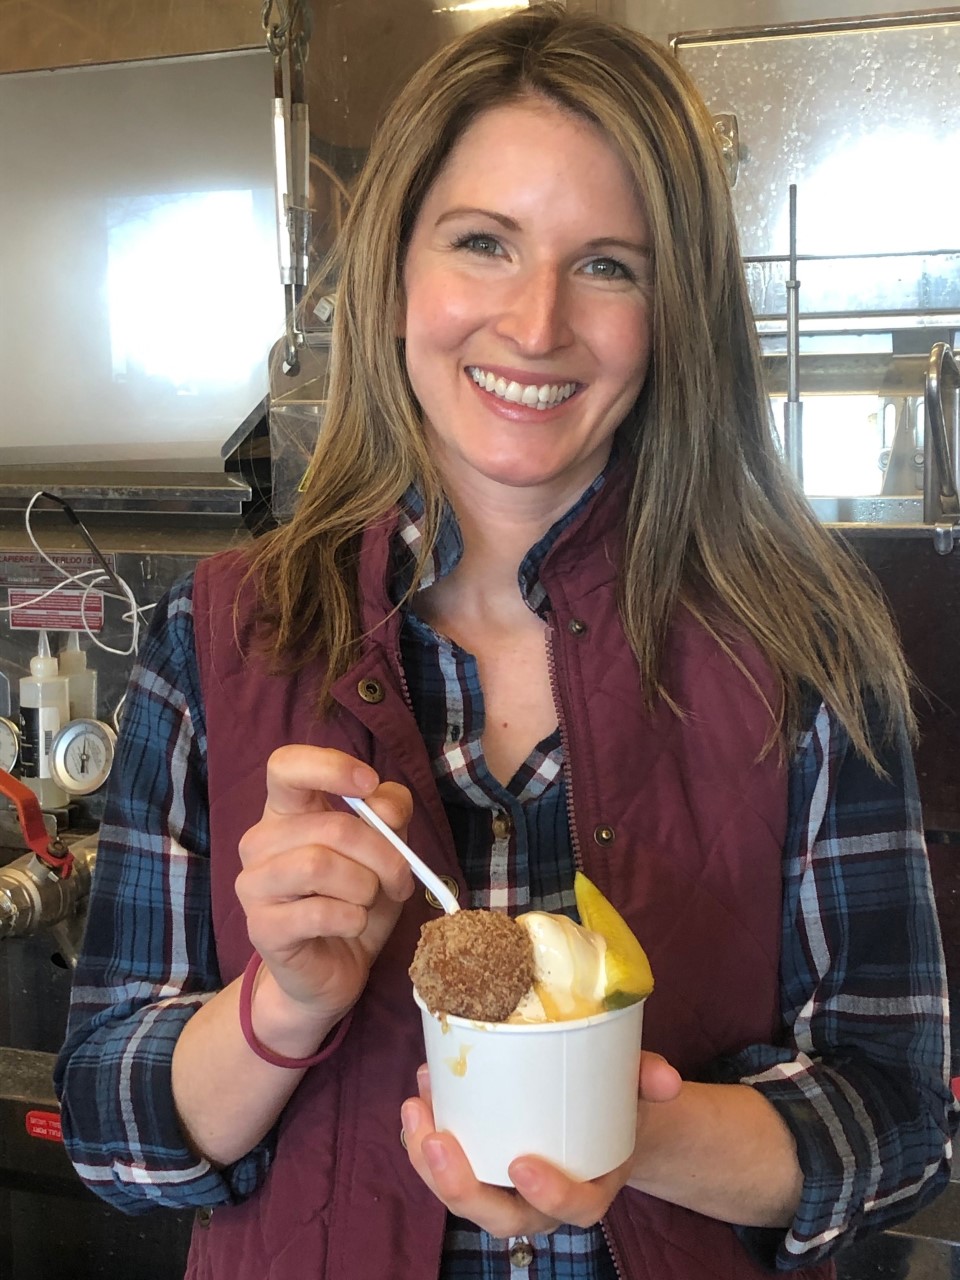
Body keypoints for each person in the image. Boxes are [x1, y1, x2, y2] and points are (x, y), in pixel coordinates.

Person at [55, 6, 957, 1279]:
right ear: (400, 271)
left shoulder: (804, 651)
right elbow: (109, 1131)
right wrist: (287, 999)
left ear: (675, 309)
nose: (536, 325)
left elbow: (900, 1117)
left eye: (609, 265)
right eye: (484, 242)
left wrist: (615, 1126)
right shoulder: (217, 638)